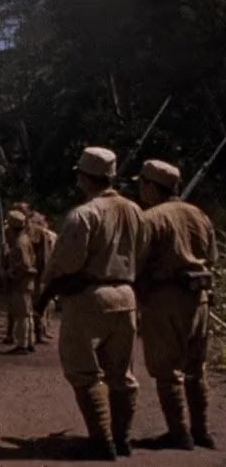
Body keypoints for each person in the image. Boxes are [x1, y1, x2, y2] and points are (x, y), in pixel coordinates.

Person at [37, 146, 143, 460]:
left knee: (84, 370)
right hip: (126, 295)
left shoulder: (83, 214)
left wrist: (47, 289)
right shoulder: (135, 211)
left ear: (85, 177)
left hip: (89, 297)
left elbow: (68, 262)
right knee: (122, 373)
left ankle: (102, 440)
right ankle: (122, 439)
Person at [133, 159, 217, 451]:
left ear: (152, 187)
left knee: (167, 370)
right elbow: (212, 257)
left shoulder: (151, 218)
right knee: (196, 368)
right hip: (199, 297)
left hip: (164, 297)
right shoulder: (199, 214)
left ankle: (179, 432)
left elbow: (137, 263)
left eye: (143, 185)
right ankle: (201, 430)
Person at [3, 210, 38, 354]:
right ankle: (30, 342)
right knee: (27, 313)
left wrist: (12, 276)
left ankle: (22, 345)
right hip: (26, 283)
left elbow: (25, 265)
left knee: (22, 314)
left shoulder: (19, 243)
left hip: (21, 283)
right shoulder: (25, 239)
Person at [30, 211, 59, 344]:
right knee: (39, 303)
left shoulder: (44, 235)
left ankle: (40, 330)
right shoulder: (35, 234)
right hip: (39, 272)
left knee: (44, 302)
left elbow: (47, 256)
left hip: (42, 272)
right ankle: (38, 331)